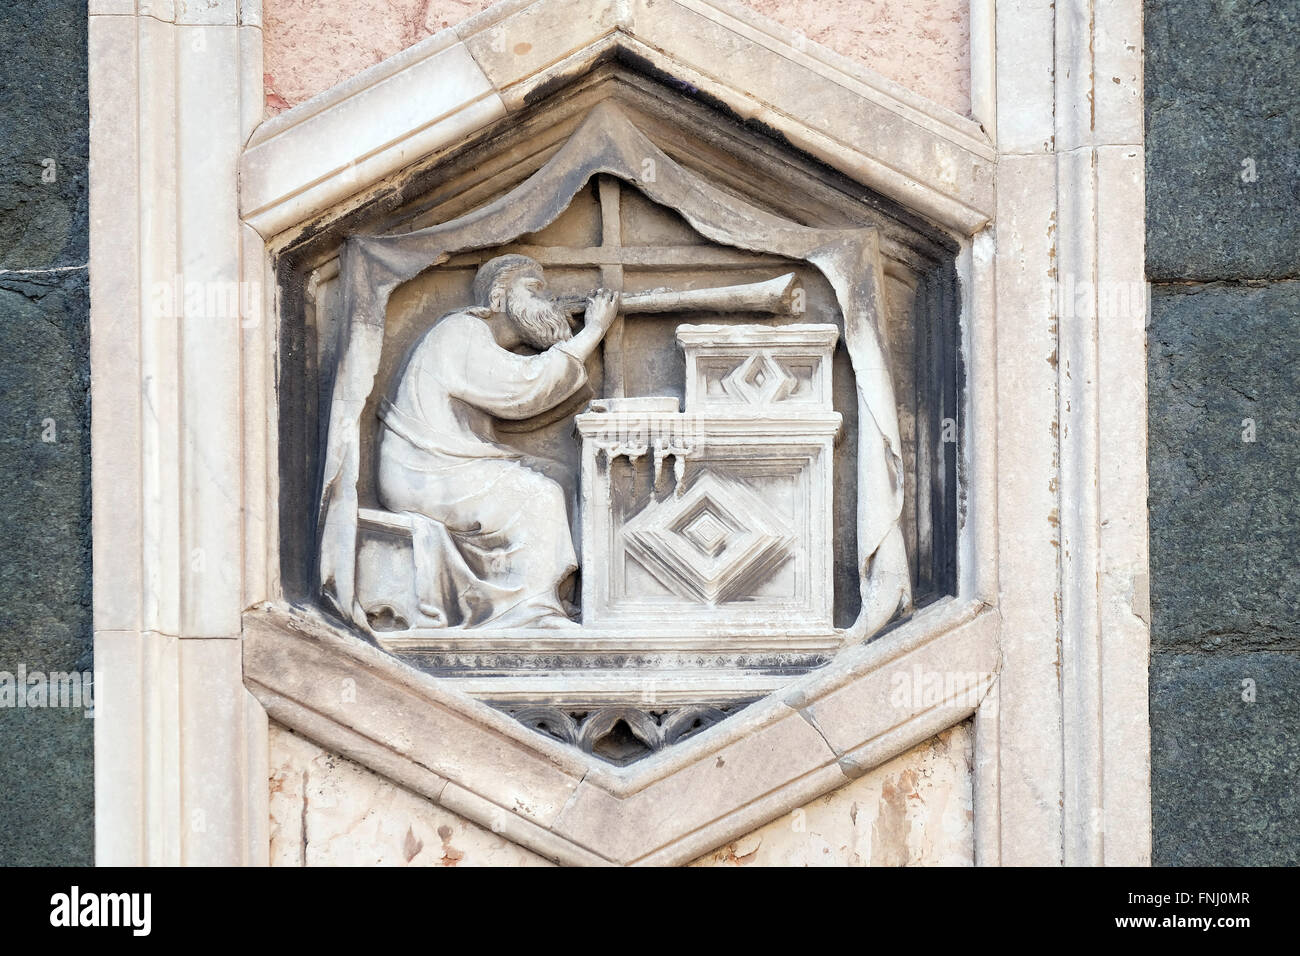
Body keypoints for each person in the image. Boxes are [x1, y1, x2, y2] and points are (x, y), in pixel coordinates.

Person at [376, 254, 619, 628]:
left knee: (565, 477)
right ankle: (528, 613)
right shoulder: (460, 331)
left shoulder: (481, 340)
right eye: (535, 290)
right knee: (538, 496)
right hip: (425, 472)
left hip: (453, 464)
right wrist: (592, 333)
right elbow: (521, 390)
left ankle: (550, 594)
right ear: (499, 296)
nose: (549, 301)